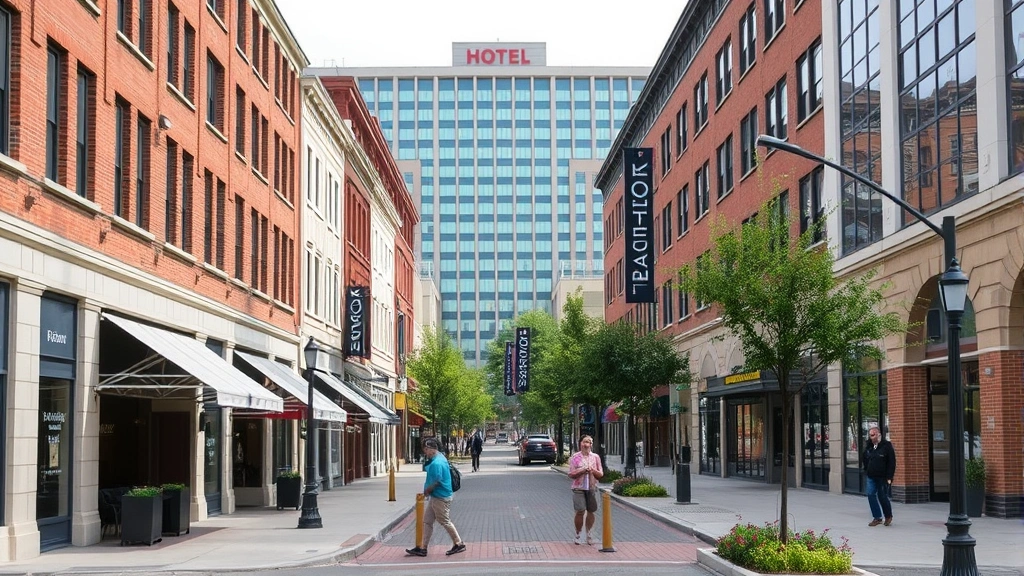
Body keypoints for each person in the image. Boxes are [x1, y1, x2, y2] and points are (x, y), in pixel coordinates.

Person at [406, 437, 466, 557]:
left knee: (444, 520)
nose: (425, 453)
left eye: (425, 450)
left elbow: (437, 481)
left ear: (430, 448)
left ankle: (458, 543)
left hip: (440, 497)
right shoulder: (440, 458)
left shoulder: (436, 463)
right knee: (427, 521)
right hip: (437, 496)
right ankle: (423, 548)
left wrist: (426, 492)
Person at [568, 435, 603, 545]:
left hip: (592, 488)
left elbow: (601, 474)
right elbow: (571, 474)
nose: (586, 444)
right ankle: (578, 534)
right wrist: (582, 470)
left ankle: (589, 534)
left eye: (589, 442)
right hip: (579, 488)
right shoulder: (575, 457)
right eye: (584, 442)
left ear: (591, 445)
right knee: (580, 510)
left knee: (591, 511)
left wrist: (592, 470)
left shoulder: (595, 457)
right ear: (580, 443)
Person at [862, 426, 896, 526]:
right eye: (870, 435)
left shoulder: (886, 446)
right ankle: (877, 517)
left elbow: (892, 462)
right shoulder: (869, 446)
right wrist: (866, 469)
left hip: (883, 476)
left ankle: (888, 515)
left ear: (879, 434)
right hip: (871, 475)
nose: (872, 437)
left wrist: (889, 476)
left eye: (873, 435)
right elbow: (865, 458)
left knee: (882, 496)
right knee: (870, 494)